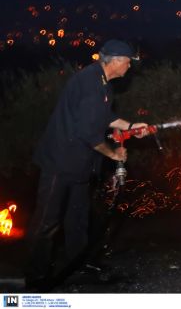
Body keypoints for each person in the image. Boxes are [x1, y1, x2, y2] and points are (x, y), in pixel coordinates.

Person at [24, 39, 149, 291]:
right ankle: (36, 279)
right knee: (47, 222)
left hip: (80, 164)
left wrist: (133, 126)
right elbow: (89, 136)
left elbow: (107, 118)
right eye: (127, 62)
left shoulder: (102, 82)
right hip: (60, 163)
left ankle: (78, 265)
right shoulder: (90, 85)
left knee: (78, 218)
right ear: (114, 61)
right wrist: (113, 155)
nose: (128, 67)